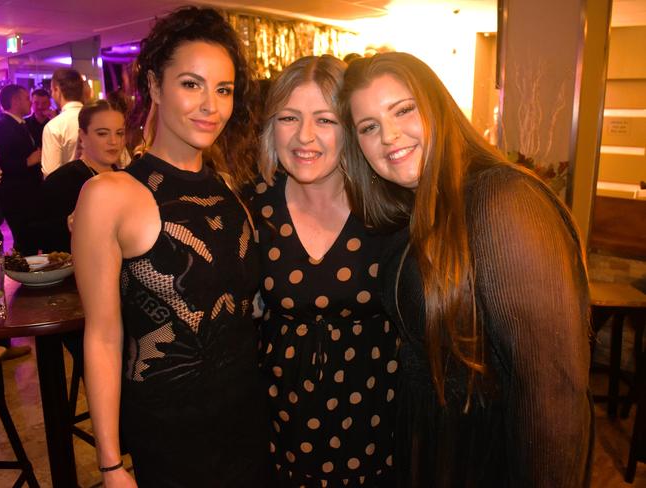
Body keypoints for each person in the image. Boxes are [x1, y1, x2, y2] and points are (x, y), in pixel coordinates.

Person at [339, 52, 593, 488]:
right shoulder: (420, 209)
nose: (389, 135)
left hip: (490, 461)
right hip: (438, 451)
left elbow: (553, 390)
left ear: (438, 106)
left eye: (403, 110)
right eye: (369, 127)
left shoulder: (503, 199)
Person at [72, 6, 267, 487]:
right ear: (155, 85)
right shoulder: (108, 195)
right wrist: (111, 463)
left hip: (250, 421)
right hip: (169, 435)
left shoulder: (229, 189)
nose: (211, 105)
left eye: (223, 90)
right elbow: (102, 336)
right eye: (191, 84)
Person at [255, 55, 397, 487]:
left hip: (376, 425)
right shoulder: (250, 208)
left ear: (350, 129)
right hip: (278, 426)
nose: (304, 137)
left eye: (325, 120)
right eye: (289, 118)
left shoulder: (389, 208)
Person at [40, 100, 125, 253]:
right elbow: (44, 243)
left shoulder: (127, 179)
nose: (114, 141)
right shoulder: (61, 182)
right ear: (82, 136)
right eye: (102, 133)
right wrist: (69, 225)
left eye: (119, 133)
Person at [0, 84, 43, 255]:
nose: (30, 102)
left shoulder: (21, 124)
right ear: (15, 101)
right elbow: (1, 164)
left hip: (27, 195)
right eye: (26, 98)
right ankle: (25, 278)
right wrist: (26, 162)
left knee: (29, 241)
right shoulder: (3, 125)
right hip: (16, 197)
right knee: (25, 242)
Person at [42, 68, 84, 176]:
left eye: (51, 90)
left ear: (57, 90)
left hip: (71, 190)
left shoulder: (54, 126)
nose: (52, 95)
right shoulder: (100, 118)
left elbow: (51, 174)